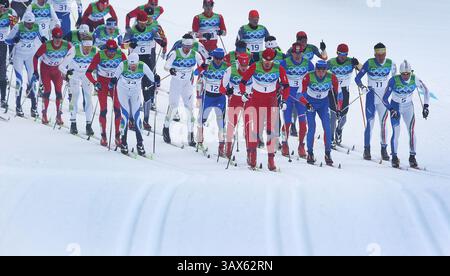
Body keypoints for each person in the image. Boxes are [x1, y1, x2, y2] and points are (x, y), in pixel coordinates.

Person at [239, 48, 290, 171]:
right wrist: (244, 94)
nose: (267, 63)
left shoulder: (278, 68)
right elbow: (243, 82)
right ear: (262, 59)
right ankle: (253, 158)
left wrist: (284, 100)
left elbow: (286, 86)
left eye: (270, 60)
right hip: (256, 99)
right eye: (265, 60)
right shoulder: (255, 66)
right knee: (255, 130)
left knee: (271, 131)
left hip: (271, 101)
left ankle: (271, 160)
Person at [382, 60, 430, 168]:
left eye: (408, 74)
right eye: (403, 74)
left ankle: (412, 157)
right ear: (400, 73)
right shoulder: (393, 80)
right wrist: (391, 109)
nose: (406, 76)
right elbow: (384, 99)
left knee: (412, 131)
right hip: (396, 107)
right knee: (396, 132)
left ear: (410, 73)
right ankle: (394, 157)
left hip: (409, 107)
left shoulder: (415, 79)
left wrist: (426, 106)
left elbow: (426, 91)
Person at [111, 53, 159, 156]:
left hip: (135, 91)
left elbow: (152, 77)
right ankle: (123, 142)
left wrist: (156, 79)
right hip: (123, 90)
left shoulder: (142, 66)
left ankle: (140, 143)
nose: (133, 67)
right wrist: (113, 80)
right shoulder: (122, 65)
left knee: (137, 116)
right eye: (131, 65)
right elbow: (115, 76)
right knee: (125, 114)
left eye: (134, 65)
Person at [125, 10, 165, 131]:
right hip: (134, 64)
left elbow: (161, 39)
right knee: (134, 92)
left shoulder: (151, 30)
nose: (143, 25)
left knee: (147, 91)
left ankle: (146, 120)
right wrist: (130, 45)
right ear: (137, 21)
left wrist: (162, 42)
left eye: (145, 22)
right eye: (141, 23)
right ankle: (131, 119)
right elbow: (123, 44)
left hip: (147, 62)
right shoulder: (131, 31)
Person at [355, 42, 397, 161]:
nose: (380, 57)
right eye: (378, 54)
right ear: (374, 54)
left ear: (385, 53)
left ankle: (384, 149)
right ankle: (366, 149)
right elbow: (357, 78)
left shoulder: (391, 64)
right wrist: (362, 87)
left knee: (383, 123)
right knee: (370, 123)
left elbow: (395, 80)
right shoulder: (369, 63)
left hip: (383, 98)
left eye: (382, 54)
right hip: (371, 97)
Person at [162, 34, 205, 146]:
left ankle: (190, 136)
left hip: (187, 84)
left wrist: (204, 66)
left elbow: (203, 66)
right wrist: (171, 69)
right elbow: (166, 66)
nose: (187, 49)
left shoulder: (195, 54)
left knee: (190, 109)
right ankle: (166, 129)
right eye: (185, 46)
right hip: (176, 83)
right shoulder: (175, 53)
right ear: (182, 45)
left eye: (189, 47)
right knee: (173, 106)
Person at [299, 60, 341, 166]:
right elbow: (299, 94)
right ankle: (310, 153)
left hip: (323, 104)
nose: (321, 73)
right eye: (318, 70)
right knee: (312, 128)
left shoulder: (331, 77)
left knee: (327, 128)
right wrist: (306, 103)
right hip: (311, 103)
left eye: (323, 70)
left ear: (326, 70)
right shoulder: (308, 76)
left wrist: (339, 108)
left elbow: (339, 94)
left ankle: (328, 153)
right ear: (315, 69)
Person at [86, 39, 126, 147]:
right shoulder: (100, 55)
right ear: (106, 49)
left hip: (115, 84)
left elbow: (126, 70)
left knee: (117, 110)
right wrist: (95, 83)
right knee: (104, 110)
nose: (112, 52)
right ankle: (103, 135)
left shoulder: (120, 55)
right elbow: (88, 72)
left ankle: (117, 136)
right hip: (102, 84)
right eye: (109, 50)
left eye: (113, 50)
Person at [279, 42, 314, 158]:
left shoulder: (308, 64)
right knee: (287, 122)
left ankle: (301, 146)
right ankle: (284, 144)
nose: (297, 55)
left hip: (301, 97)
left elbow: (313, 78)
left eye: (299, 53)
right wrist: (278, 87)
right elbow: (277, 76)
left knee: (303, 123)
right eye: (295, 53)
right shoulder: (285, 63)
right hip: (288, 96)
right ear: (292, 53)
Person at [5, 11, 44, 117]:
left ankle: (34, 108)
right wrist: (14, 40)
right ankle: (18, 106)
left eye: (31, 23)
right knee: (19, 81)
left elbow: (43, 39)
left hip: (30, 55)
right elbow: (7, 40)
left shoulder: (37, 26)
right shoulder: (18, 27)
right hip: (19, 56)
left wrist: (45, 40)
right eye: (28, 24)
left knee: (33, 81)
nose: (30, 26)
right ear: (24, 22)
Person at [33, 26, 72, 125]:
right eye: (55, 38)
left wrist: (68, 71)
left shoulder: (67, 45)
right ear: (52, 37)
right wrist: (35, 71)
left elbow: (73, 56)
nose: (58, 40)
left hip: (57, 70)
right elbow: (35, 57)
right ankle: (44, 114)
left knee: (59, 92)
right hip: (46, 69)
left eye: (59, 38)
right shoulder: (46, 45)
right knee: (47, 91)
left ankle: (58, 116)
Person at [59, 36, 96, 136]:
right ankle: (73, 123)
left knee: (88, 97)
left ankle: (88, 125)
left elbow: (100, 64)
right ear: (81, 45)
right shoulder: (74, 49)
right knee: (75, 97)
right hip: (74, 75)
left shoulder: (95, 50)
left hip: (86, 75)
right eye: (85, 47)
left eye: (89, 47)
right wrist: (67, 72)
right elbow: (61, 66)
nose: (87, 50)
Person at [327, 43, 362, 147]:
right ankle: (331, 138)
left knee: (344, 117)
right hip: (333, 90)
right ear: (337, 53)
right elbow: (322, 71)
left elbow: (363, 70)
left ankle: (339, 130)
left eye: (345, 54)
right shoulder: (331, 62)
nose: (343, 56)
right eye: (341, 54)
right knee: (333, 115)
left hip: (344, 91)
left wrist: (357, 63)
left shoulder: (351, 61)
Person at [220, 53, 252, 158]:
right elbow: (221, 88)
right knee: (231, 124)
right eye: (242, 66)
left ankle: (250, 153)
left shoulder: (252, 70)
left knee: (248, 126)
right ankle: (228, 149)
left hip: (247, 100)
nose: (244, 69)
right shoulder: (230, 70)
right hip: (234, 99)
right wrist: (227, 91)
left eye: (245, 66)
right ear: (238, 62)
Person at [197, 48, 228, 155]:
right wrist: (203, 67)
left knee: (221, 122)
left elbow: (233, 77)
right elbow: (197, 72)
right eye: (216, 58)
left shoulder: (226, 66)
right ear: (213, 57)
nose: (218, 60)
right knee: (202, 119)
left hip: (220, 97)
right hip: (208, 97)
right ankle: (200, 141)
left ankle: (221, 147)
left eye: (220, 58)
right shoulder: (208, 64)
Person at [0, 0, 18, 109]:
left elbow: (15, 27)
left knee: (2, 70)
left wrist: (14, 37)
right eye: (1, 7)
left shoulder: (10, 12)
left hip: (2, 45)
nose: (3, 10)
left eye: (4, 8)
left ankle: (2, 99)